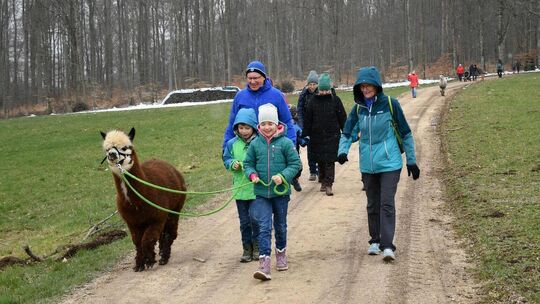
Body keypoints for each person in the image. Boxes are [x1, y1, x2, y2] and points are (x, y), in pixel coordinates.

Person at [337, 66, 420, 262]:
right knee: (372, 204)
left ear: (377, 85)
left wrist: (412, 160)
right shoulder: (359, 108)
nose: (366, 89)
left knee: (387, 203)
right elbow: (348, 132)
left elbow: (406, 133)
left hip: (390, 162)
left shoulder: (390, 104)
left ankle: (388, 245)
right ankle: (374, 240)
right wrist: (342, 151)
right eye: (362, 86)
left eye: (369, 85)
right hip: (368, 165)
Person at [244, 103, 301, 281]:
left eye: (270, 123)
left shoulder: (285, 143)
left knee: (280, 226)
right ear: (259, 126)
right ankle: (264, 263)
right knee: (264, 226)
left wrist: (283, 176)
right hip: (261, 193)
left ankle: (281, 254)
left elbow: (296, 164)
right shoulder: (254, 144)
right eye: (263, 124)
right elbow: (248, 164)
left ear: (277, 124)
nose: (267, 127)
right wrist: (251, 174)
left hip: (280, 193)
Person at [222, 60, 296, 150]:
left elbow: (287, 122)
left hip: (271, 148)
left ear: (264, 77)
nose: (252, 81)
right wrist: (226, 147)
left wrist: (292, 146)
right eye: (250, 78)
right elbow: (232, 124)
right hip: (246, 149)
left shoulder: (277, 95)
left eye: (256, 78)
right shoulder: (240, 96)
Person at [223, 108, 260, 263]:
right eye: (241, 128)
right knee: (244, 222)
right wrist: (232, 164)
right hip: (240, 190)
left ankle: (258, 247)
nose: (244, 131)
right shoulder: (232, 144)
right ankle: (247, 248)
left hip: (256, 189)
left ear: (253, 127)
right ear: (236, 128)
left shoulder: (259, 142)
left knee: (256, 219)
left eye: (247, 128)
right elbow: (226, 159)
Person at [302, 73, 346, 196]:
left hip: (333, 135)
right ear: (319, 89)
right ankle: (322, 180)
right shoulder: (312, 101)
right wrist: (306, 134)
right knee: (320, 160)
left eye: (327, 90)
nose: (325, 92)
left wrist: (346, 131)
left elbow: (342, 117)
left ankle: (329, 184)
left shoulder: (336, 100)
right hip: (317, 136)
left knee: (330, 160)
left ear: (330, 89)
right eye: (322, 90)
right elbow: (308, 119)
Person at [297, 70, 319, 181]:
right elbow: (299, 110)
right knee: (310, 149)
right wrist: (302, 125)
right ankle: (312, 171)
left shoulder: (320, 93)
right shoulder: (303, 95)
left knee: (319, 148)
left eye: (314, 84)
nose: (312, 86)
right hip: (307, 125)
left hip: (319, 125)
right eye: (310, 84)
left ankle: (320, 169)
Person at [288, 104, 305, 192]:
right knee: (298, 167)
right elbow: (302, 138)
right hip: (293, 151)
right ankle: (294, 179)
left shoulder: (280, 125)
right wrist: (304, 141)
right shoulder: (295, 126)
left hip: (292, 151)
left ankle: (293, 179)